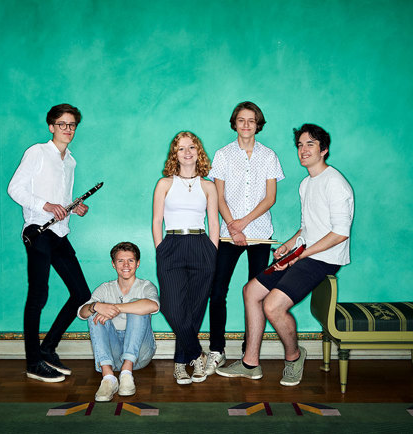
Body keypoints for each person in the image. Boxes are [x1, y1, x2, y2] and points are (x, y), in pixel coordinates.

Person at [216, 123, 354, 387]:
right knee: (251, 292)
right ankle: (250, 363)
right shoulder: (306, 183)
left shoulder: (335, 183)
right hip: (303, 253)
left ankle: (293, 356)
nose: (303, 150)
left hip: (324, 258)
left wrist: (299, 256)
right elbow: (307, 227)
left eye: (310, 144)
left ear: (324, 150)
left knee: (272, 306)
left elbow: (340, 234)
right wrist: (289, 246)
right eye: (300, 145)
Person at [7, 103, 92, 382]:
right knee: (38, 295)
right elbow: (14, 189)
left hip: (59, 232)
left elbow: (61, 201)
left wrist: (72, 208)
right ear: (51, 126)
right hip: (37, 231)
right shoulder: (37, 152)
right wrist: (45, 205)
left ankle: (47, 349)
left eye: (72, 125)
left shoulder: (71, 161)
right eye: (62, 124)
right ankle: (33, 363)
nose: (68, 129)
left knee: (81, 294)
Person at [206, 101, 284, 375]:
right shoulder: (223, 154)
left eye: (251, 120)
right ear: (235, 123)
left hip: (260, 234)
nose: (247, 125)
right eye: (242, 120)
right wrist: (232, 226)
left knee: (258, 296)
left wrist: (245, 224)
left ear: (258, 124)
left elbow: (270, 197)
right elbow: (218, 196)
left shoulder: (269, 155)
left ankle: (250, 354)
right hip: (229, 234)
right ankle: (216, 349)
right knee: (217, 292)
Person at [152, 131, 219, 385]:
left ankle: (180, 364)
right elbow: (157, 220)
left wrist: (212, 251)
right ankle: (196, 354)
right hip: (172, 244)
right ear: (175, 154)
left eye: (192, 147)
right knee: (172, 306)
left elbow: (214, 222)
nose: (187, 152)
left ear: (198, 151)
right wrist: (161, 249)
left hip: (201, 245)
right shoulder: (164, 184)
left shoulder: (208, 185)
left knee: (194, 309)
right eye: (181, 148)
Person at [78, 242, 159, 402]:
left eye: (130, 260)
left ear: (138, 263)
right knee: (93, 314)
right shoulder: (105, 288)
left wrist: (116, 308)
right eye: (121, 261)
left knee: (139, 306)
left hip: (140, 354)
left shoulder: (146, 286)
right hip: (112, 355)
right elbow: (82, 312)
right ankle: (108, 378)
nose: (126, 265)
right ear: (113, 264)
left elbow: (153, 305)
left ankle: (127, 374)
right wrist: (96, 306)